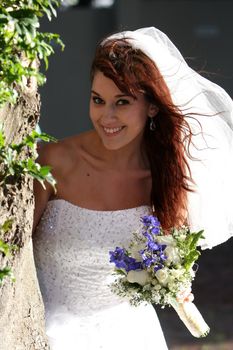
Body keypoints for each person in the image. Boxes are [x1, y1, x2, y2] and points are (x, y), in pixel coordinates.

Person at [32, 27, 233, 350]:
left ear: (151, 106)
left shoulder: (166, 181)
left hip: (128, 335)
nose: (106, 117)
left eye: (122, 102)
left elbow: (167, 258)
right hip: (47, 331)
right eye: (98, 100)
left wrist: (174, 282)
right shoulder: (54, 162)